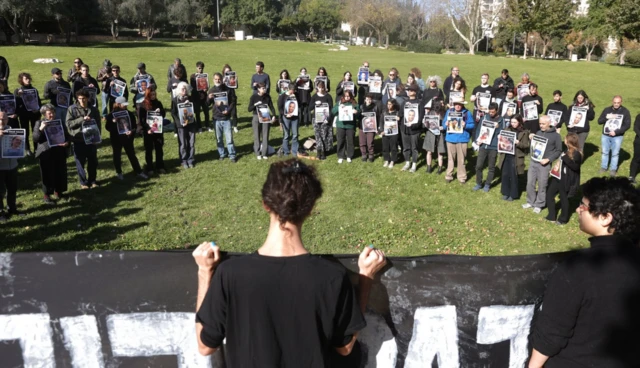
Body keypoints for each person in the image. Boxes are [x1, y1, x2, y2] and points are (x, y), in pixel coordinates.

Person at [193, 158, 387, 365]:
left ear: (265, 204)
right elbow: (345, 347)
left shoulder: (230, 274)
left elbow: (205, 346)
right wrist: (365, 277)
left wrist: (205, 272)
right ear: (311, 208)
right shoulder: (332, 277)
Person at [529, 176, 640, 368]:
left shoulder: (577, 269)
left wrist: (533, 366)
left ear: (606, 218)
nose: (578, 209)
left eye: (584, 205)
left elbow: (552, 333)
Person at [523, 115, 562, 214]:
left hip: (544, 164)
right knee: (530, 183)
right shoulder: (538, 132)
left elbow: (558, 151)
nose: (541, 125)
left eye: (543, 124)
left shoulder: (556, 136)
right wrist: (532, 138)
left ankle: (539, 204)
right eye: (540, 123)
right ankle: (530, 201)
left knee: (542, 185)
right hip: (533, 161)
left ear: (549, 123)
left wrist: (548, 159)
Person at [32, 104, 69, 204]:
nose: (52, 115)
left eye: (53, 112)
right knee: (47, 173)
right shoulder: (39, 122)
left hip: (59, 150)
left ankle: (58, 191)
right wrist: (41, 128)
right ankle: (47, 195)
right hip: (46, 151)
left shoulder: (59, 122)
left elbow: (66, 135)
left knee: (60, 172)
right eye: (49, 113)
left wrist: (67, 142)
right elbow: (35, 138)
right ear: (44, 114)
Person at [66, 89, 101, 189]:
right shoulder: (72, 109)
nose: (82, 101)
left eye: (84, 99)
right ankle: (83, 183)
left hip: (91, 139)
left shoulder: (93, 109)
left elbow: (98, 124)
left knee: (93, 162)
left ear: (88, 98)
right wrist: (82, 119)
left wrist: (97, 138)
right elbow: (68, 124)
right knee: (80, 163)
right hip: (78, 139)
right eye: (80, 99)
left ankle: (93, 180)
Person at [544, 133, 583, 225]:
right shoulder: (567, 150)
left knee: (564, 199)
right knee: (549, 194)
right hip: (557, 177)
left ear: (568, 141)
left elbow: (575, 167)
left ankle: (563, 219)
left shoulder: (577, 153)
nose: (564, 140)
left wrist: (565, 158)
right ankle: (551, 216)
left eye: (565, 139)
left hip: (566, 180)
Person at [105, 97, 147, 180]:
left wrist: (131, 131)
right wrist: (113, 122)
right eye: (123, 105)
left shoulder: (129, 114)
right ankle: (119, 172)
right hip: (116, 139)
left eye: (125, 105)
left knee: (131, 155)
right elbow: (107, 127)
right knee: (117, 155)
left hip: (127, 138)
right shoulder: (111, 115)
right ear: (118, 104)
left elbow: (135, 126)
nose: (125, 106)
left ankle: (138, 171)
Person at [597, 95, 631, 176]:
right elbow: (599, 121)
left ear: (621, 102)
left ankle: (613, 169)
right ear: (612, 102)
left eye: (618, 103)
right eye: (615, 102)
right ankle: (604, 167)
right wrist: (607, 117)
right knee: (605, 152)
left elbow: (627, 125)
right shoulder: (607, 110)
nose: (616, 104)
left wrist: (617, 132)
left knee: (615, 153)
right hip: (606, 135)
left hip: (617, 136)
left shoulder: (625, 111)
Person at [442, 98, 474, 184]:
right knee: (450, 159)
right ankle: (449, 176)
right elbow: (443, 124)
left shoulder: (467, 113)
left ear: (462, 104)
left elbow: (472, 125)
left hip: (462, 139)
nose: (458, 106)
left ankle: (462, 177)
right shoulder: (449, 112)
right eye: (456, 104)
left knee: (461, 160)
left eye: (459, 104)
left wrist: (465, 125)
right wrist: (445, 125)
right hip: (450, 138)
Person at [498, 114, 530, 201]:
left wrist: (518, 143)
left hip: (515, 156)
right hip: (506, 155)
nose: (513, 124)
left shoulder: (524, 132)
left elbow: (526, 145)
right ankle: (505, 192)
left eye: (515, 122)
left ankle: (513, 194)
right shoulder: (506, 129)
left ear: (519, 122)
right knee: (505, 174)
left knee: (513, 175)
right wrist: (500, 138)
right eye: (511, 122)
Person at [207, 73, 237, 163]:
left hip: (226, 118)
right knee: (219, 139)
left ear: (222, 79)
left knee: (229, 139)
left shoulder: (228, 89)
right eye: (215, 79)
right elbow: (207, 104)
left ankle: (232, 155)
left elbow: (233, 101)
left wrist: (229, 110)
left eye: (219, 79)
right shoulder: (211, 90)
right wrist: (208, 98)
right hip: (216, 118)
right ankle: (222, 154)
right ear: (213, 80)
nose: (217, 81)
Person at [473, 103, 502, 192]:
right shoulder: (484, 118)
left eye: (493, 112)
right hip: (483, 145)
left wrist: (498, 128)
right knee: (479, 166)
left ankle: (487, 184)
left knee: (491, 166)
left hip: (493, 146)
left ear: (497, 110)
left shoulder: (501, 120)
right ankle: (479, 183)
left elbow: (503, 133)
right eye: (489, 111)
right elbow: (478, 129)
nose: (491, 113)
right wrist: (477, 140)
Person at [138, 87, 166, 174]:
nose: (153, 96)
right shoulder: (142, 105)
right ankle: (150, 167)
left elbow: (163, 115)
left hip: (158, 130)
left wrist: (160, 111)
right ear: (148, 95)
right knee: (149, 150)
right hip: (148, 131)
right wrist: (147, 130)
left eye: (154, 94)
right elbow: (141, 120)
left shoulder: (158, 103)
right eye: (152, 94)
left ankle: (160, 166)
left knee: (159, 149)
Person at [0, 111, 22, 221]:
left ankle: (12, 208)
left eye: (4, 119)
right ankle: (0, 212)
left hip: (12, 165)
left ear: (7, 120)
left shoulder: (13, 131)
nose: (1, 121)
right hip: (0, 167)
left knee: (12, 189)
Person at [14, 72, 42, 156]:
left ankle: (36, 148)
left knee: (35, 131)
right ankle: (27, 149)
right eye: (26, 79)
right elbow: (15, 103)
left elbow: (38, 102)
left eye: (29, 78)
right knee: (25, 132)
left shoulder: (34, 90)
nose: (28, 80)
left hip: (34, 114)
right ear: (21, 80)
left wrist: (38, 110)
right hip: (24, 115)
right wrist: (18, 95)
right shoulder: (18, 91)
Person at [248, 83, 277, 160]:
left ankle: (264, 153)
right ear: (258, 89)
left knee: (265, 135)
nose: (264, 89)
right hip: (256, 117)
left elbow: (271, 107)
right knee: (257, 135)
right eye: (263, 88)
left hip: (265, 117)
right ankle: (257, 153)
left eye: (265, 88)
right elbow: (249, 109)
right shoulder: (253, 97)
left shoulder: (267, 96)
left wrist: (274, 115)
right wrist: (255, 105)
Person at [172, 81, 197, 168]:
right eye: (183, 89)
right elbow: (173, 113)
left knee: (191, 142)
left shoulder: (191, 98)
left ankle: (191, 159)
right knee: (183, 143)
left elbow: (196, 110)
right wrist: (180, 123)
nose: (184, 90)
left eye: (186, 89)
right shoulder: (175, 100)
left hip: (191, 124)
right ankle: (183, 160)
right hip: (181, 126)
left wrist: (190, 104)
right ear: (179, 90)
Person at [400, 85, 424, 172]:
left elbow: (421, 117)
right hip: (404, 128)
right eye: (408, 90)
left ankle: (414, 164)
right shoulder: (404, 102)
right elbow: (401, 114)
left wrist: (414, 125)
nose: (409, 92)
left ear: (415, 92)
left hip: (415, 129)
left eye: (411, 90)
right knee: (406, 147)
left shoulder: (419, 103)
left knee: (414, 147)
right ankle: (407, 162)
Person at [332, 90, 360, 163]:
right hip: (341, 125)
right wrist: (338, 107)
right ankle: (341, 156)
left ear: (351, 96)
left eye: (348, 96)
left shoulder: (354, 104)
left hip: (350, 125)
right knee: (340, 140)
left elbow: (359, 115)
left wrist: (356, 112)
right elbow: (333, 112)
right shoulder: (339, 103)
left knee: (350, 141)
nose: (347, 97)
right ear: (343, 96)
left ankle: (349, 155)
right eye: (345, 96)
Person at [310, 81, 333, 160]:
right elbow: (310, 108)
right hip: (315, 118)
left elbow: (331, 109)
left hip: (325, 119)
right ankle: (319, 151)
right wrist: (315, 104)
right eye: (319, 87)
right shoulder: (314, 96)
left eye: (322, 87)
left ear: (324, 87)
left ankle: (322, 152)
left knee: (323, 135)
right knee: (317, 135)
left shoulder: (328, 96)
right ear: (317, 88)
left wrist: (328, 118)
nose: (321, 89)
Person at [422, 98, 446, 174]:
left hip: (440, 133)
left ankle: (440, 168)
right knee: (429, 151)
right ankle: (429, 167)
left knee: (440, 152)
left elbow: (446, 124)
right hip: (430, 133)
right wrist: (424, 122)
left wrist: (443, 127)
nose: (437, 111)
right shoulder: (429, 113)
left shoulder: (444, 113)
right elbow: (424, 125)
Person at [189, 61, 211, 133]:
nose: (200, 70)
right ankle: (199, 127)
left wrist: (206, 88)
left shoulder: (205, 76)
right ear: (196, 68)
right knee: (197, 113)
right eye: (199, 68)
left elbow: (208, 85)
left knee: (206, 112)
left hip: (204, 96)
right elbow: (191, 87)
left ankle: (207, 126)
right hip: (196, 97)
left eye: (201, 68)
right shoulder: (193, 76)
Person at [278, 84, 300, 157]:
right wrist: (285, 114)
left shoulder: (296, 95)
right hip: (286, 118)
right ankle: (286, 151)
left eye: (294, 91)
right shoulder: (282, 96)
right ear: (288, 89)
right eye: (291, 91)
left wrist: (295, 98)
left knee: (295, 134)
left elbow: (299, 105)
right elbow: (280, 108)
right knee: (286, 135)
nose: (292, 92)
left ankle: (294, 151)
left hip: (295, 118)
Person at [359, 93, 381, 162]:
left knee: (370, 142)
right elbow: (359, 117)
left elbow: (377, 117)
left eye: (370, 99)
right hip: (362, 127)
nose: (368, 100)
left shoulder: (375, 107)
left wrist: (377, 128)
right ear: (365, 100)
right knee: (362, 142)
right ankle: (364, 154)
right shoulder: (361, 107)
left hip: (371, 127)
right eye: (367, 99)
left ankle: (371, 154)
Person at [381, 99, 402, 168]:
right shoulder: (384, 112)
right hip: (385, 132)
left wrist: (399, 119)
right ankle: (387, 159)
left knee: (393, 147)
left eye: (390, 104)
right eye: (388, 104)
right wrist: (381, 130)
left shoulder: (397, 113)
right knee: (385, 147)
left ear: (394, 104)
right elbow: (381, 122)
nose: (389, 106)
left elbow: (400, 123)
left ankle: (393, 160)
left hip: (394, 133)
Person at [630, 113, 640, 185]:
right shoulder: (639, 116)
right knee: (637, 158)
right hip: (639, 141)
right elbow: (635, 128)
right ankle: (631, 176)